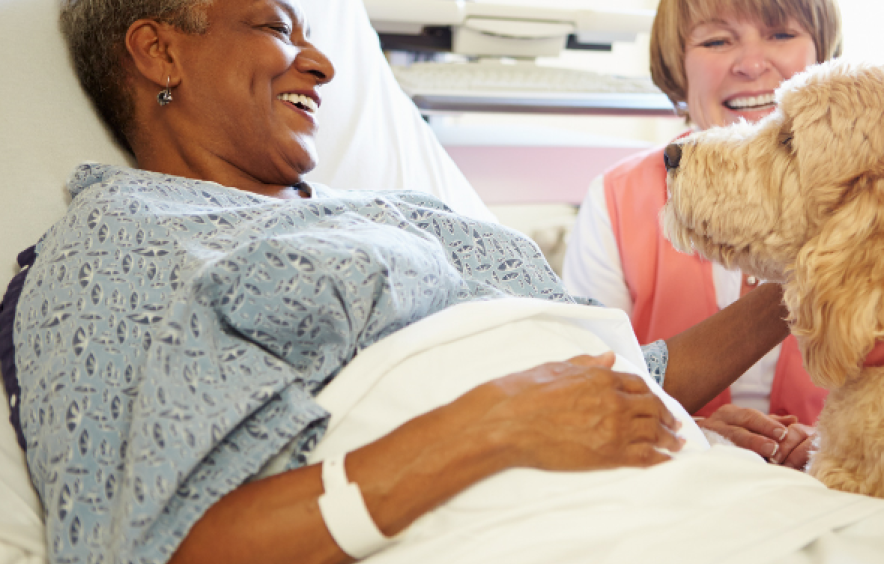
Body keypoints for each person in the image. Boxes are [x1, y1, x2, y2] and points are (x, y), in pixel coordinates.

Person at [8, 1, 796, 563]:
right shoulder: (122, 239)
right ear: (159, 52)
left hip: (701, 494)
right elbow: (144, 544)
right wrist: (493, 423)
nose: (319, 63)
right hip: (542, 523)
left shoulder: (404, 210)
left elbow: (636, 375)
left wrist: (823, 268)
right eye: (276, 28)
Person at [563, 0, 842, 469]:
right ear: (678, 64)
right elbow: (586, 385)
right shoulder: (618, 195)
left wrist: (844, 439)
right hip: (681, 474)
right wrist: (694, 430)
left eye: (780, 35)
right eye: (717, 41)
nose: (752, 64)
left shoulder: (867, 188)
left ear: (821, 53)